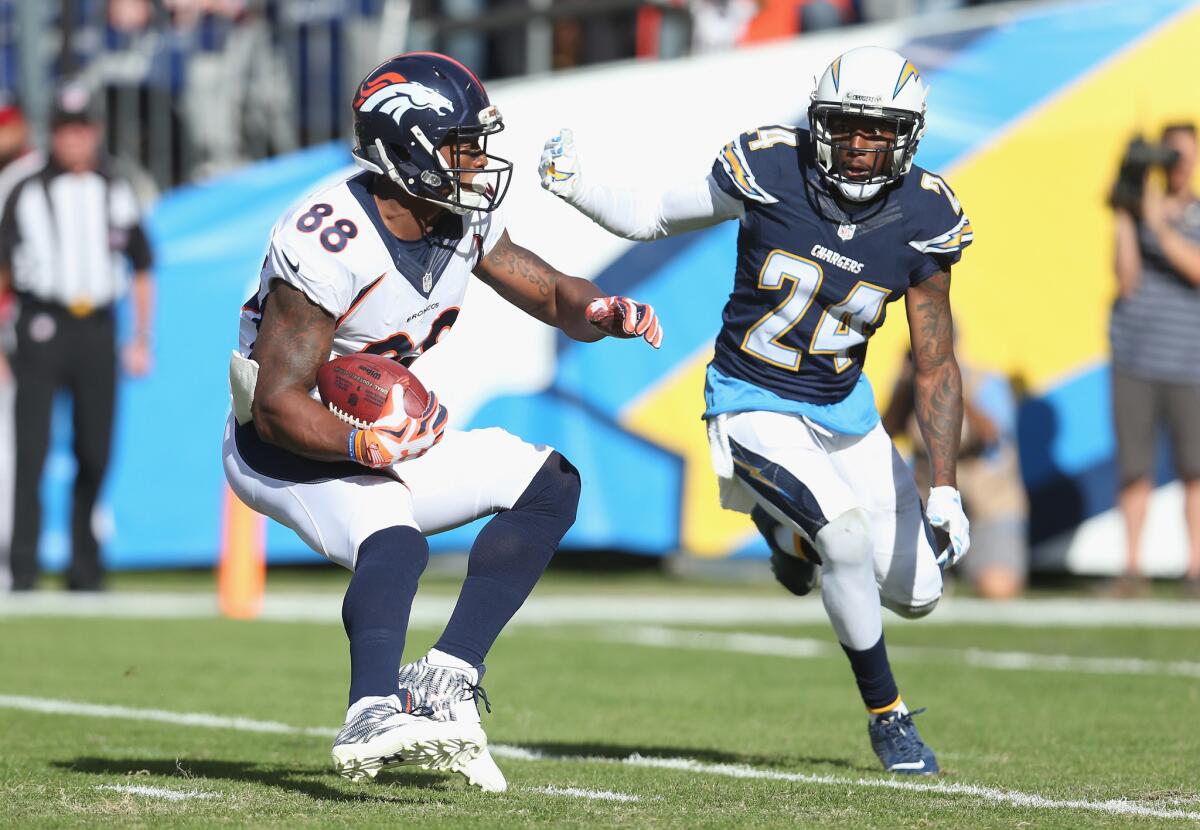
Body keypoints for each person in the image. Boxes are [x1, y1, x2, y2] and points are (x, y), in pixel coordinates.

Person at [222, 52, 661, 792]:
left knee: (547, 484)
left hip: (379, 432)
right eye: (460, 144)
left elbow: (547, 288)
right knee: (392, 537)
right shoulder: (330, 237)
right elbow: (275, 401)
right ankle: (369, 709)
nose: (477, 160)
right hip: (284, 446)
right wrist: (362, 442)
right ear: (406, 148)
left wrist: (597, 310)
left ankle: (445, 676)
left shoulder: (461, 213)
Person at [540, 46, 971, 774]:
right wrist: (577, 186)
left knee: (921, 593)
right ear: (817, 120)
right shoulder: (772, 166)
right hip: (752, 400)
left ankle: (786, 535)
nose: (860, 147)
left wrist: (947, 486)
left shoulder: (926, 213)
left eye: (880, 132)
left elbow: (935, 365)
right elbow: (651, 215)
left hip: (845, 412)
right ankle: (888, 717)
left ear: (909, 137)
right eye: (845, 126)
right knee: (845, 539)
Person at [0, 87, 154, 592]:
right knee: (32, 448)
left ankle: (84, 565)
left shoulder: (116, 189)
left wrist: (141, 337)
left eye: (82, 129)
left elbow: (142, 264)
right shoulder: (22, 187)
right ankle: (22, 565)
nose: (74, 139)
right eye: (65, 129)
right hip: (42, 324)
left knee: (95, 446)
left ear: (96, 133)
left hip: (98, 326)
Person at [1110, 123, 1200, 598]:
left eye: (1183, 155)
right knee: (1134, 468)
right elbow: (1126, 280)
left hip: (1191, 362)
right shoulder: (1140, 212)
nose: (1176, 165)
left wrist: (1157, 222)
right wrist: (1126, 212)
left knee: (1195, 469)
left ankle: (1195, 569)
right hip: (1135, 357)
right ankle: (1131, 568)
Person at [883, 352, 1028, 600]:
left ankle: (966, 567)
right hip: (929, 506)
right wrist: (907, 390)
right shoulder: (908, 389)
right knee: (905, 586)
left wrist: (952, 390)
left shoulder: (986, 382)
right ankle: (941, 570)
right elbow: (883, 437)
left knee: (998, 586)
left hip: (988, 504)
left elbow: (991, 437)